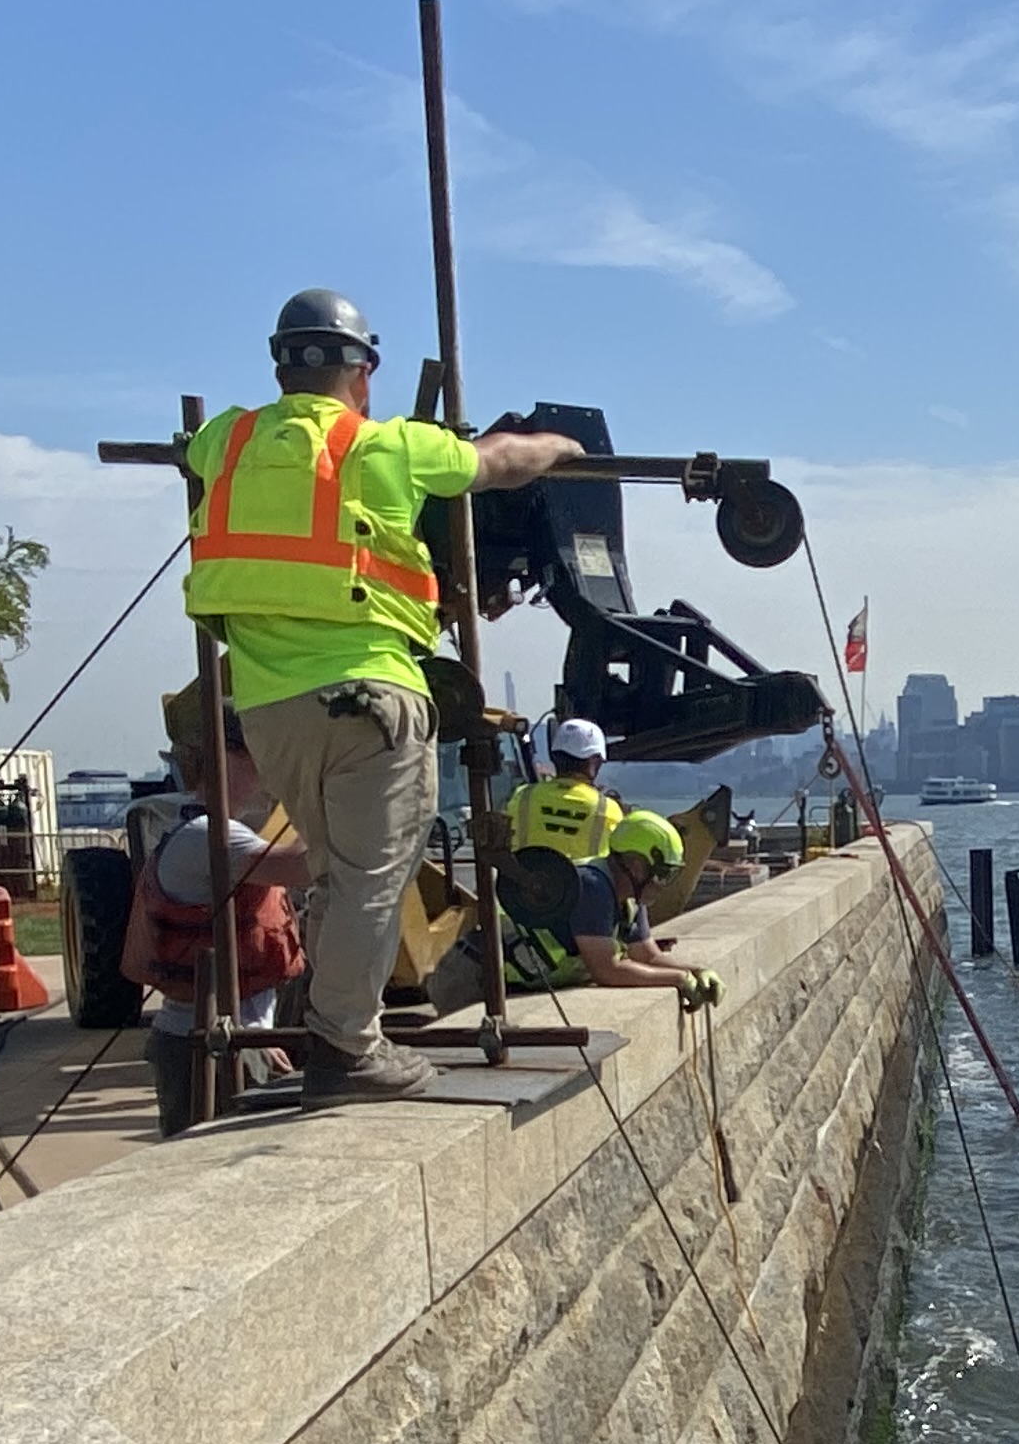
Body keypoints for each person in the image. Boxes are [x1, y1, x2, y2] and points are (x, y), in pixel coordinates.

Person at [180, 287, 581, 1099]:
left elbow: (194, 455)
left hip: (268, 708)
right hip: (370, 695)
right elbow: (501, 462)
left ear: (280, 364)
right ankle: (347, 1047)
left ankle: (333, 1025)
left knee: (337, 871)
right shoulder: (390, 447)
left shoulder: (224, 439)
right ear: (364, 370)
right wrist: (561, 446)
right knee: (376, 877)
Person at [118, 706, 312, 1136]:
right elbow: (303, 866)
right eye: (258, 753)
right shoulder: (204, 836)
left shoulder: (205, 830)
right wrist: (320, 795)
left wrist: (260, 1040)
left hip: (230, 1038)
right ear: (224, 756)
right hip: (207, 1046)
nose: (268, 767)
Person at [427, 806, 719, 1016]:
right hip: (469, 977)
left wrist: (696, 971)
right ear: (637, 865)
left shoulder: (630, 899)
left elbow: (648, 956)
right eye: (664, 874)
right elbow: (607, 970)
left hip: (507, 982)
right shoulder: (592, 887)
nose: (664, 884)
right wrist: (677, 980)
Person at [502, 717, 623, 861]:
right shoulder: (608, 810)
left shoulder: (521, 797)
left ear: (553, 756)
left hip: (522, 883)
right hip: (585, 883)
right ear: (594, 762)